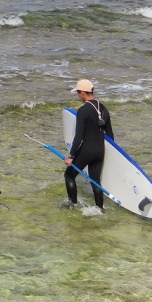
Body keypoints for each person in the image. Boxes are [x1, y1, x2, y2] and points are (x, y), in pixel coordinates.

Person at [64, 79, 114, 210]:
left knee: (69, 175)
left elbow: (78, 136)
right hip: (100, 151)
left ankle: (72, 205)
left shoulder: (83, 110)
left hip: (87, 150)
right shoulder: (103, 108)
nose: (78, 96)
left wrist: (71, 155)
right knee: (95, 182)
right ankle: (100, 209)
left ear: (82, 93)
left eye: (78, 93)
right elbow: (110, 136)